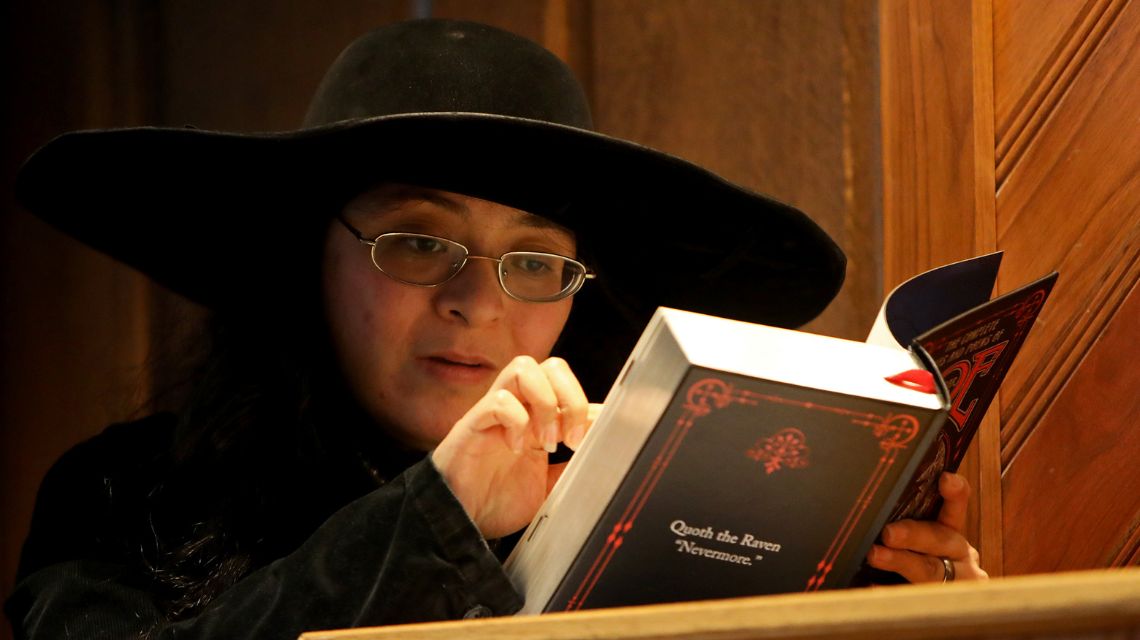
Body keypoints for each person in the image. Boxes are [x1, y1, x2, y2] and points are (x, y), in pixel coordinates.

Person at [5, 18, 986, 639]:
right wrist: (441, 516)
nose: (477, 303)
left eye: (535, 260)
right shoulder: (124, 495)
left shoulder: (660, 496)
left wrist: (923, 615)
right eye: (418, 241)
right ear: (312, 258)